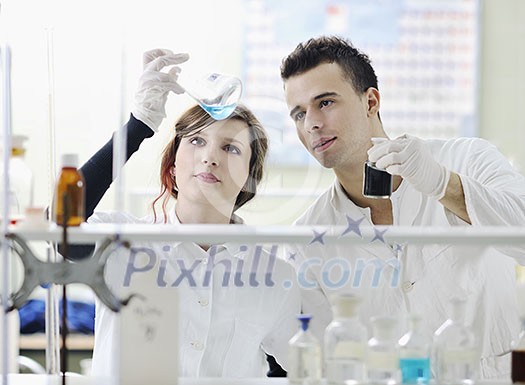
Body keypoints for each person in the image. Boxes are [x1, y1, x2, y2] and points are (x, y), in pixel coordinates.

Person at [280, 35, 525, 379]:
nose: (312, 123)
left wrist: (444, 185)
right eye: (299, 113)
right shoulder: (308, 239)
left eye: (326, 103)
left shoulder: (469, 158)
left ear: (371, 101)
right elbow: (327, 368)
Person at [79, 49, 299, 378]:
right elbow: (61, 224)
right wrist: (138, 125)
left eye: (231, 148)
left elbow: (304, 366)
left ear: (249, 178)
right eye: (196, 140)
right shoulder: (122, 244)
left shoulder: (275, 276)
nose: (210, 157)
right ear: (173, 162)